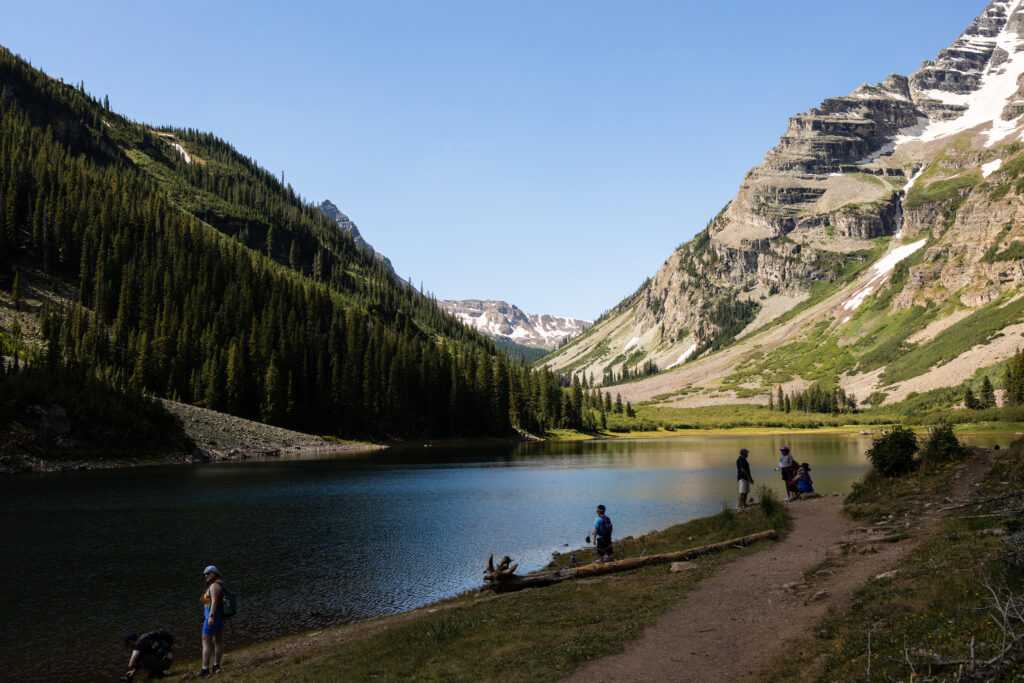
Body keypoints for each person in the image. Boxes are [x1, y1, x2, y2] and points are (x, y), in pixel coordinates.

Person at [198, 565, 226, 678]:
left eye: (208, 573)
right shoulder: (220, 583)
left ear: (214, 573)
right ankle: (216, 666)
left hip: (213, 617)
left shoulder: (214, 586)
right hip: (219, 617)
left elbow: (213, 602)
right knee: (218, 641)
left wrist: (211, 617)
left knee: (206, 642)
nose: (205, 575)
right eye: (204, 574)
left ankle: (205, 670)